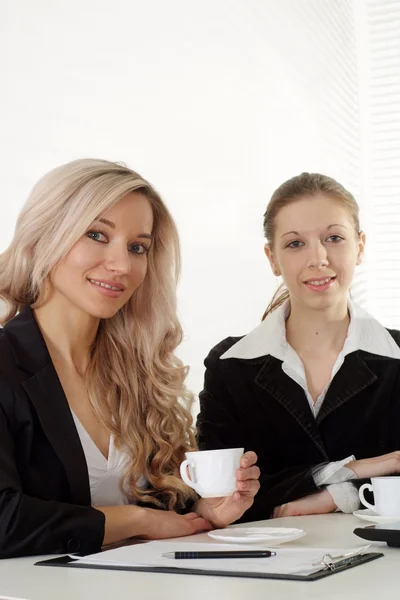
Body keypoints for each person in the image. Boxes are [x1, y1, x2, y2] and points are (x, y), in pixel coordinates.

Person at [0, 159, 260, 558]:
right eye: (97, 235)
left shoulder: (135, 369)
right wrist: (137, 522)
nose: (122, 266)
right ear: (43, 235)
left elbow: (160, 504)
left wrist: (206, 509)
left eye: (137, 247)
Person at [197, 172, 400, 522]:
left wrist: (336, 496)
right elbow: (219, 497)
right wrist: (356, 472)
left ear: (360, 247)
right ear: (272, 258)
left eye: (334, 238)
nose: (318, 258)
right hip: (265, 568)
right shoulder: (229, 365)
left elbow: (263, 494)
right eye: (295, 244)